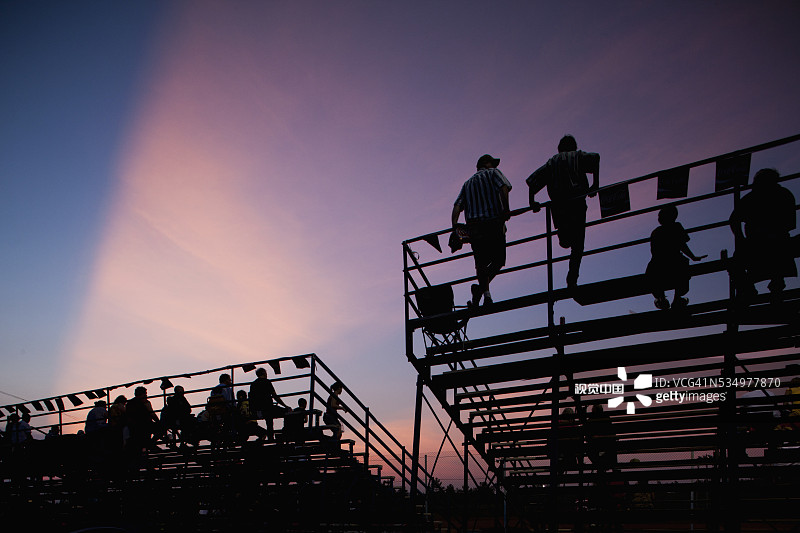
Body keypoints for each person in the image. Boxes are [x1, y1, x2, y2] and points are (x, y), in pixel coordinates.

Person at [527, 135, 599, 289]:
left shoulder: (552, 162)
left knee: (566, 241)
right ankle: (572, 279)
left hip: (559, 207)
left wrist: (532, 202)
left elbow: (532, 181)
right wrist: (595, 184)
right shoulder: (577, 156)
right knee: (578, 245)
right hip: (577, 203)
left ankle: (566, 241)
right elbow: (596, 158)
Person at [451, 154, 512, 306]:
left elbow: (457, 205)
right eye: (492, 163)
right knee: (499, 260)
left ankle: (485, 294)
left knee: (481, 263)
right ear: (486, 163)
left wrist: (455, 226)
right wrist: (506, 209)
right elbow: (504, 187)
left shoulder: (467, 184)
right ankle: (480, 291)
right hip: (493, 223)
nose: (494, 166)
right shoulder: (493, 173)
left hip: (475, 227)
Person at [729, 168, 797, 300]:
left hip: (761, 241)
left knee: (736, 263)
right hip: (775, 240)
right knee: (777, 255)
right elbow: (790, 224)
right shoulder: (783, 194)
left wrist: (742, 239)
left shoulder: (752, 197)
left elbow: (733, 220)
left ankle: (748, 289)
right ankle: (773, 286)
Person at [646, 205, 706, 310]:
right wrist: (692, 257)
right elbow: (683, 245)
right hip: (674, 262)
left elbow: (654, 250)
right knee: (682, 267)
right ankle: (677, 298)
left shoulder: (656, 231)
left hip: (658, 263)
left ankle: (661, 298)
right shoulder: (677, 227)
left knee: (654, 272)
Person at [249, 367, 289, 441]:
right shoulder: (267, 382)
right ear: (264, 373)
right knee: (286, 412)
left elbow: (251, 398)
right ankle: (285, 432)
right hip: (268, 407)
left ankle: (270, 436)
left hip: (258, 409)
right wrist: (285, 406)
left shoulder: (253, 384)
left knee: (269, 419)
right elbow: (275, 396)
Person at [125, 386, 159, 455]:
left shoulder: (130, 403)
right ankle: (151, 444)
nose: (146, 395)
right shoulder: (145, 402)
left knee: (141, 443)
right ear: (142, 394)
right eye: (145, 393)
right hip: (145, 425)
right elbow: (152, 413)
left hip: (134, 427)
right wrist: (158, 421)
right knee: (161, 428)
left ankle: (149, 445)